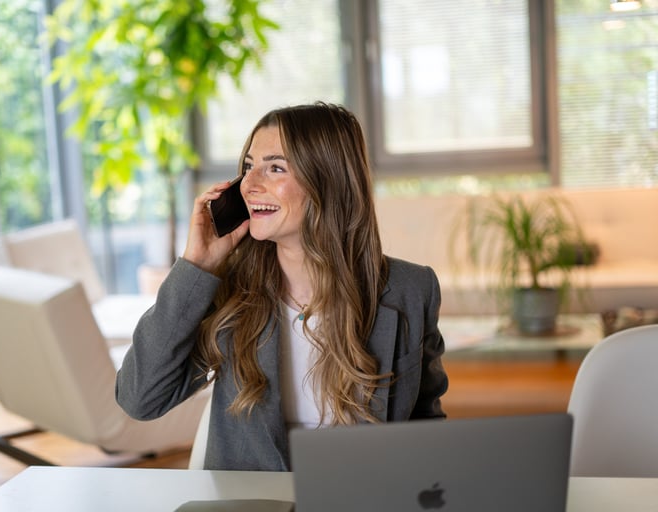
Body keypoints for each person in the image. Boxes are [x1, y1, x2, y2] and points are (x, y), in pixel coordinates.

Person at [115, 102, 448, 471]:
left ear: (329, 180)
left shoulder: (411, 290)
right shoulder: (227, 290)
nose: (249, 186)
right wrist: (198, 264)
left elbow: (424, 427)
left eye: (275, 168)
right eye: (247, 167)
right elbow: (139, 398)